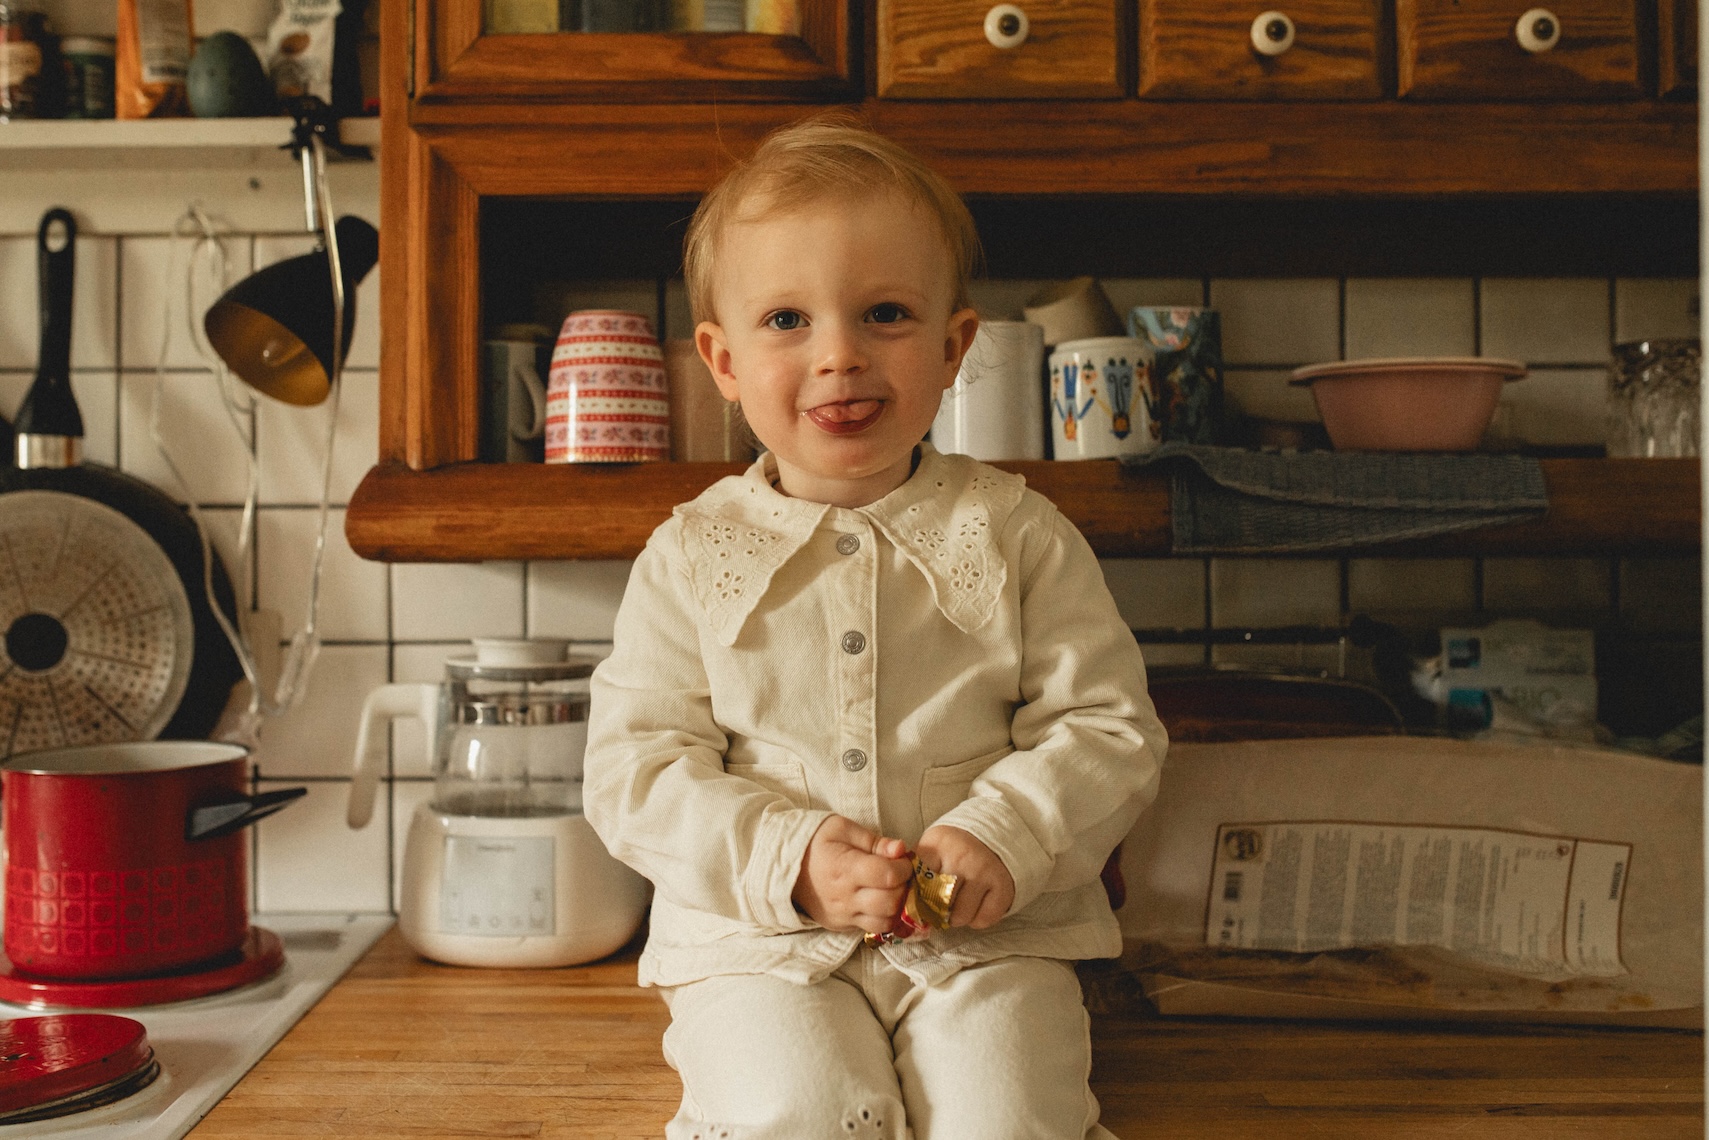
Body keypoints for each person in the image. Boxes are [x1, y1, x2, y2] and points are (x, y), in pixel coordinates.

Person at [583, 112, 1166, 1140]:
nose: (839, 357)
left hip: (987, 938)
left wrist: (1005, 834)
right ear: (719, 360)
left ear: (953, 349)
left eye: (884, 313)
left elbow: (1108, 728)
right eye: (785, 322)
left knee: (1006, 1121)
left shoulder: (1019, 534)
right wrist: (786, 860)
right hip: (755, 944)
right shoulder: (688, 554)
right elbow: (633, 769)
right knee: (801, 1115)